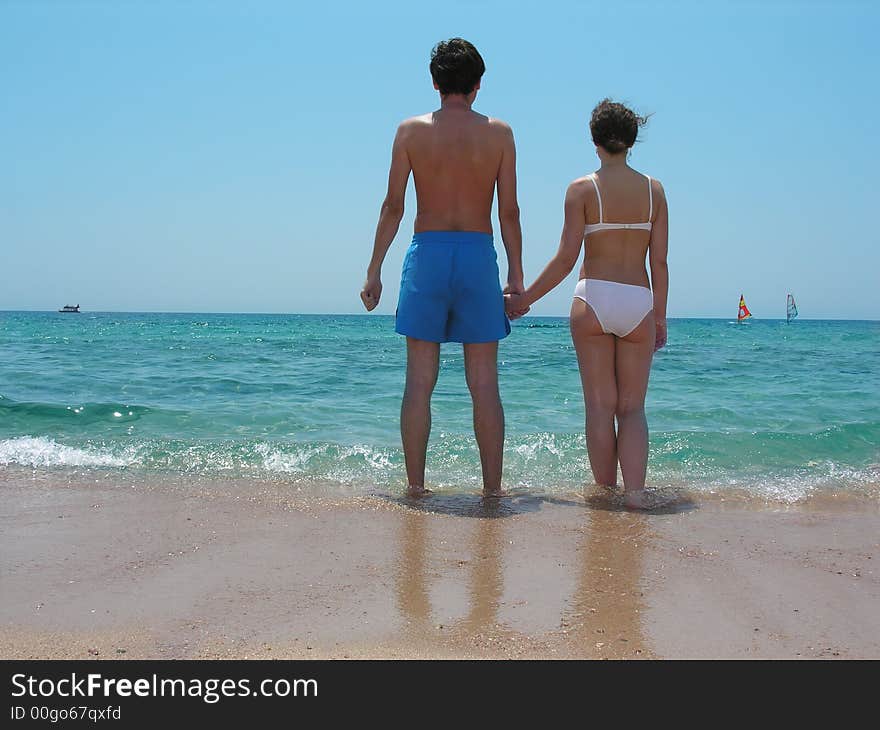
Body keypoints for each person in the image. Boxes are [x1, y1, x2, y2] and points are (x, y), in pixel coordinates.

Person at [360, 38, 524, 498]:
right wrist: (516, 276)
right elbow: (509, 211)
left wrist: (374, 269)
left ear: (434, 83)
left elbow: (393, 205)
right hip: (477, 253)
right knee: (484, 382)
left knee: (418, 381)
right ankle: (492, 490)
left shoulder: (410, 131)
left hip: (428, 253)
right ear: (478, 84)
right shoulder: (500, 134)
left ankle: (416, 488)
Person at [505, 99, 668, 509]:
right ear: (632, 141)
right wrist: (660, 318)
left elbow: (565, 258)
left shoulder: (582, 189)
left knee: (599, 407)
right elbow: (659, 262)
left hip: (593, 296)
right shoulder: (654, 191)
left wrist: (525, 299)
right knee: (632, 409)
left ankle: (604, 498)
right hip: (638, 300)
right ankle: (634, 498)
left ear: (594, 141)